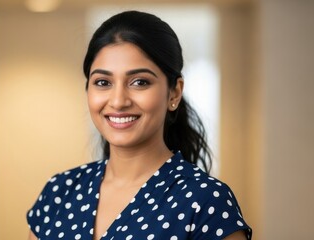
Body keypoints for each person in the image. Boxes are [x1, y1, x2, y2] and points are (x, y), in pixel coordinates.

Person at [27, 10, 252, 240]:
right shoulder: (59, 192)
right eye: (103, 82)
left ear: (174, 92)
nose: (118, 101)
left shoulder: (205, 202)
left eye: (139, 82)